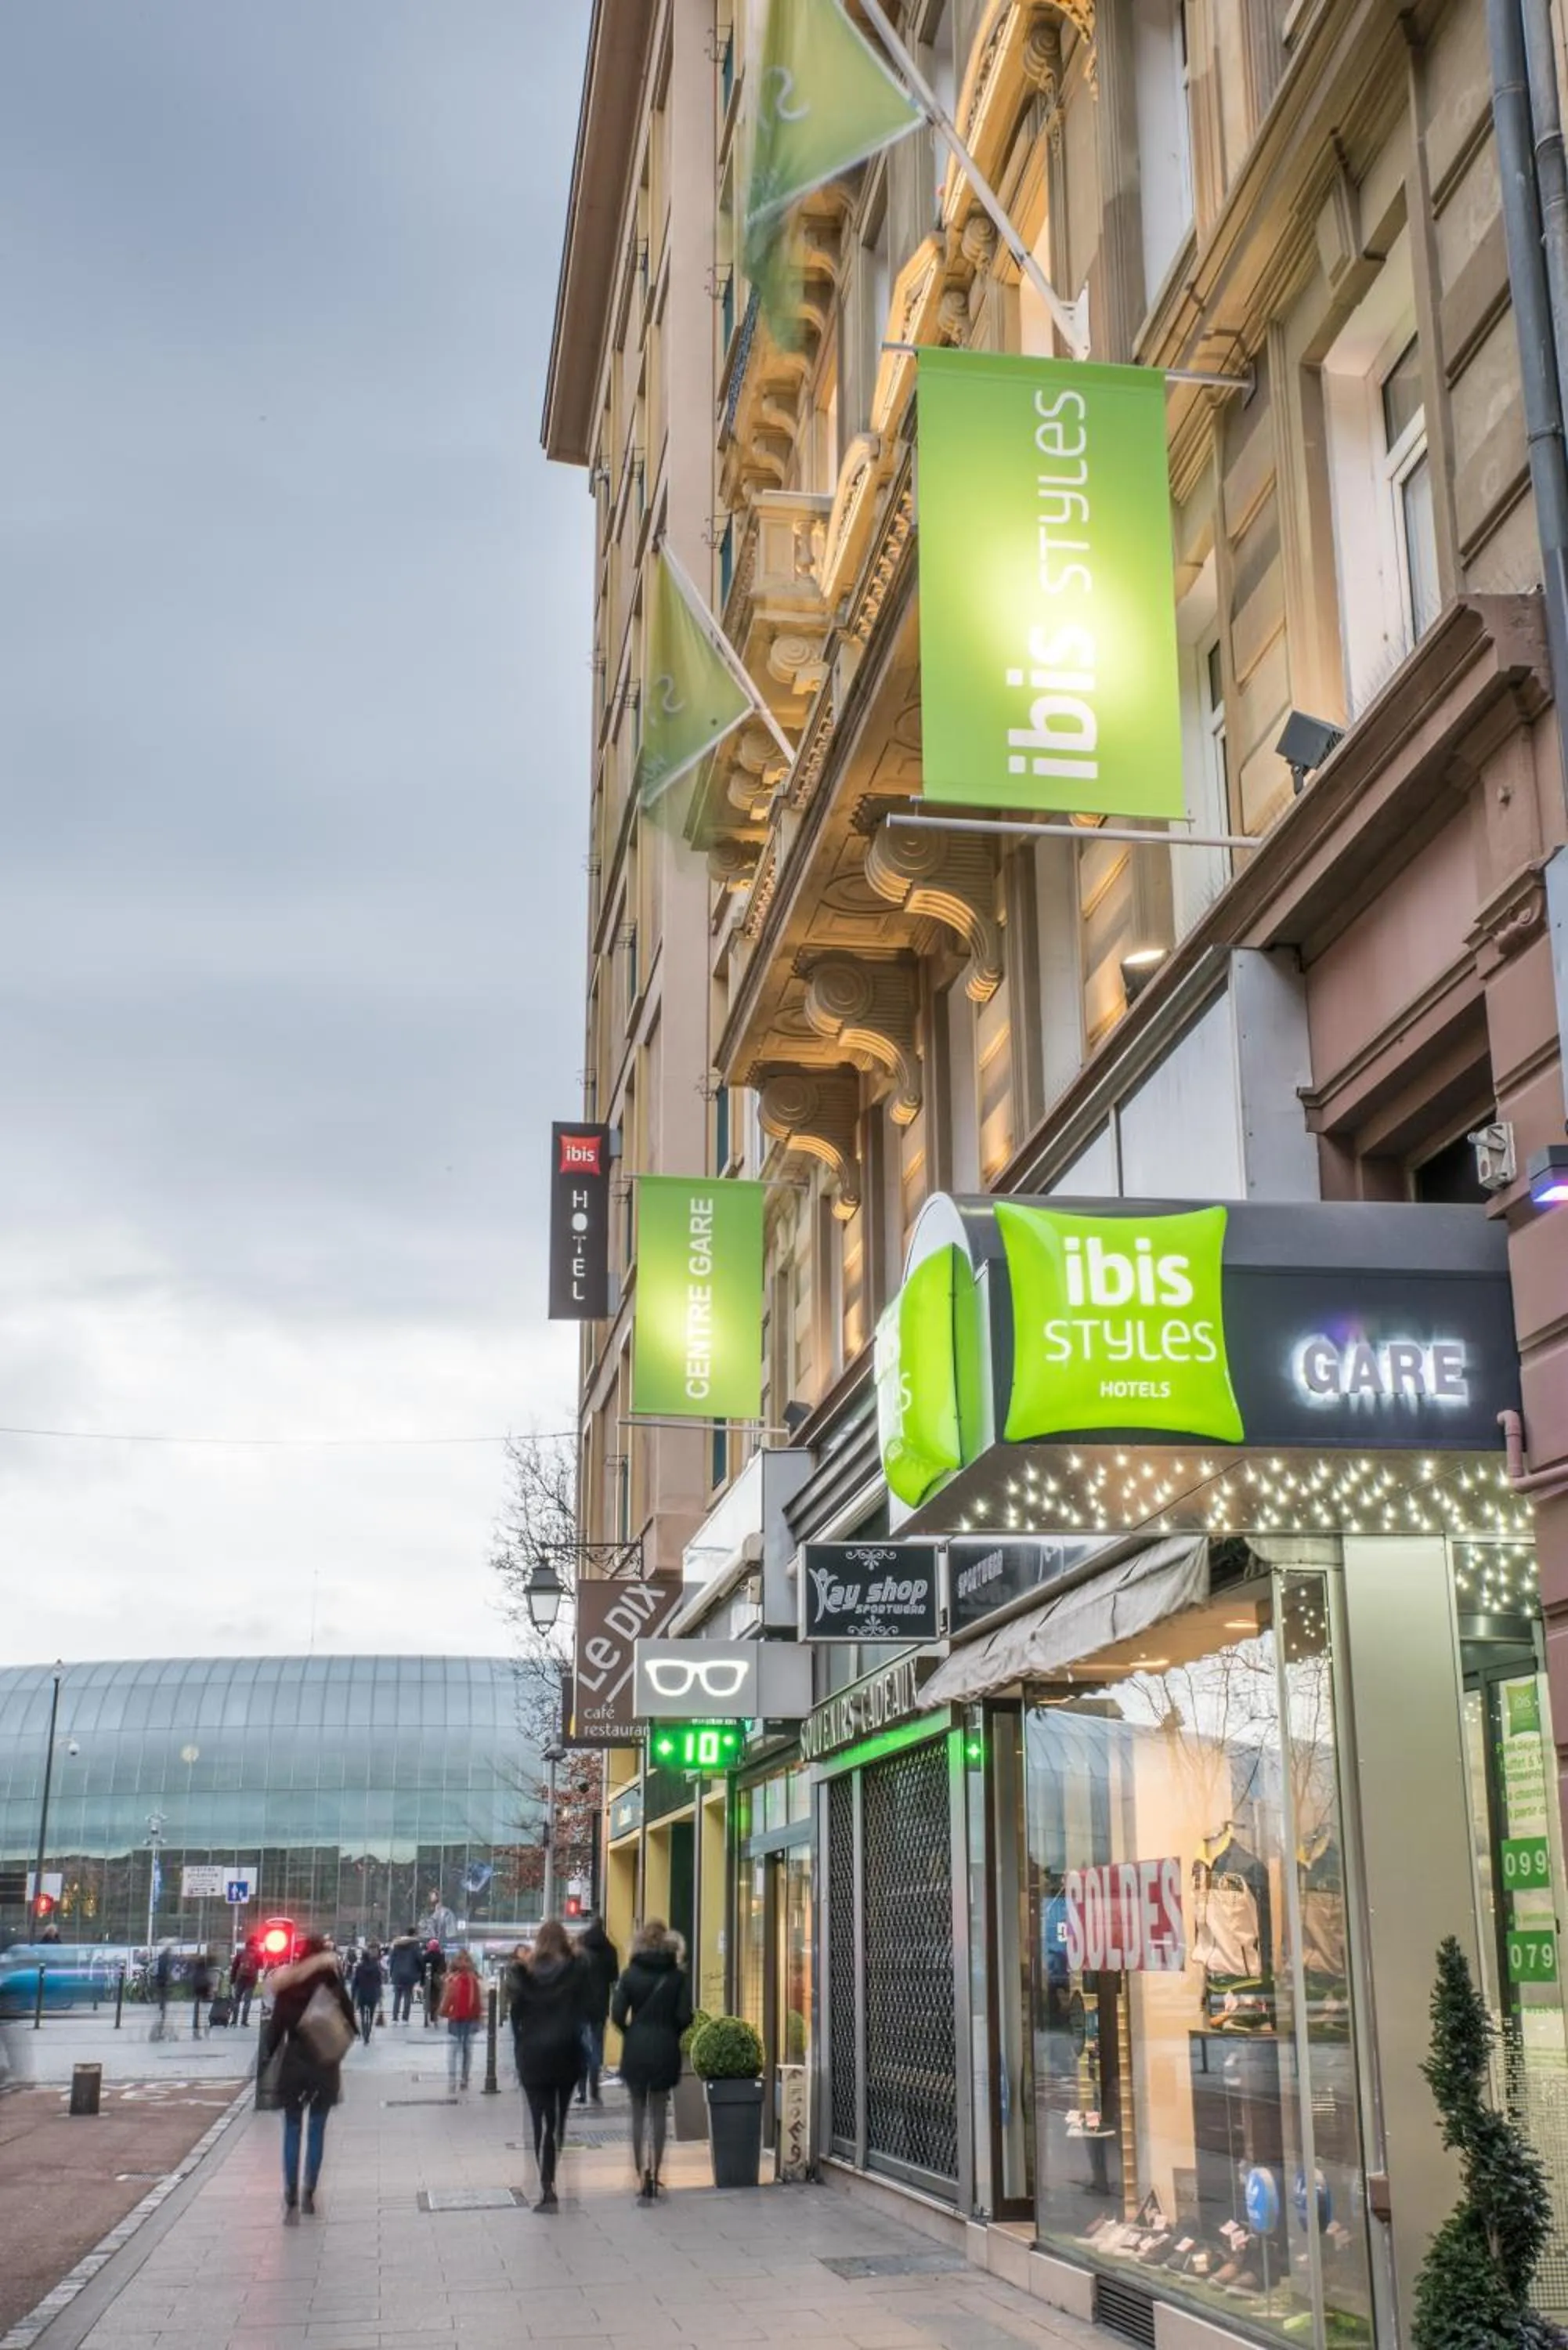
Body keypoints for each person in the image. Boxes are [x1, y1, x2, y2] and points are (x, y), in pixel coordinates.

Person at [261, 1934, 356, 2223]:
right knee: (316, 2129)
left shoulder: (289, 1988)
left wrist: (268, 2058)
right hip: (323, 2065)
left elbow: (274, 2033)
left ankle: (289, 2191)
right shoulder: (332, 1986)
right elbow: (351, 2025)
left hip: (293, 2065)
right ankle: (309, 2192)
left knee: (292, 2128)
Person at [507, 1922, 587, 2213]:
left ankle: (546, 2187)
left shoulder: (525, 1975)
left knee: (538, 2118)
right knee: (557, 2121)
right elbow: (585, 2012)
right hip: (565, 2054)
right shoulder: (573, 1972)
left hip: (533, 2058)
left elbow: (516, 2019)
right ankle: (552, 2171)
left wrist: (520, 2049)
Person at [611, 1918, 692, 2204]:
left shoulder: (630, 1974)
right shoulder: (676, 1976)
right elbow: (685, 2017)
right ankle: (655, 2172)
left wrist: (632, 2032)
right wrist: (670, 2032)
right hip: (665, 2047)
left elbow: (617, 2015)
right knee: (659, 2112)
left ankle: (637, 2173)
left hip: (636, 2048)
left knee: (637, 2112)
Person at [576, 1915, 620, 2106]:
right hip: (600, 2007)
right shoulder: (610, 1950)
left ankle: (581, 2091)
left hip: (581, 2008)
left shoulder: (581, 1952)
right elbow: (614, 1978)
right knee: (596, 2049)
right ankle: (594, 2089)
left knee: (582, 2049)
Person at [440, 1948, 482, 2092]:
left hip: (468, 2018)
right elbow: (448, 1997)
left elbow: (478, 2000)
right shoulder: (453, 1978)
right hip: (457, 2018)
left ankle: (462, 2078)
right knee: (457, 2049)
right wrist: (444, 2011)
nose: (464, 1963)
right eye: (461, 1960)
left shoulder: (472, 1978)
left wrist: (479, 2017)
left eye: (466, 1960)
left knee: (465, 2049)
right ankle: (454, 2078)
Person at [350, 1944, 383, 2047]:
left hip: (362, 1994)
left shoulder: (359, 1968)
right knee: (371, 2014)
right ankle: (368, 2031)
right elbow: (379, 1981)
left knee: (363, 2015)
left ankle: (365, 2034)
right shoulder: (376, 1967)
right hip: (372, 1993)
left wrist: (353, 1995)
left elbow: (355, 1982)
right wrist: (380, 1995)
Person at [388, 1928, 421, 2023]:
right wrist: (419, 1972)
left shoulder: (397, 1944)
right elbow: (419, 1959)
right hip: (410, 1974)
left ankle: (395, 2017)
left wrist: (391, 1973)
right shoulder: (415, 1945)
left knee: (397, 1996)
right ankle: (405, 2018)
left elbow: (392, 1960)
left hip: (397, 1974)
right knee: (408, 1996)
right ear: (414, 1934)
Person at [230, 1941, 258, 2028]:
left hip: (240, 1979)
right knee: (247, 2001)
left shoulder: (241, 1954)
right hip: (251, 1980)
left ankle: (234, 2021)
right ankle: (244, 2021)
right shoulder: (257, 1954)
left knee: (237, 1999)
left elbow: (235, 1967)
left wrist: (232, 1979)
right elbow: (260, 1965)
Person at [421, 1938, 446, 2028]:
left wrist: (421, 1981)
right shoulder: (441, 1956)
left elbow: (422, 1969)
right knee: (437, 1999)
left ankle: (427, 2014)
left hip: (428, 1981)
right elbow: (444, 1968)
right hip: (437, 1981)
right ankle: (435, 2015)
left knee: (427, 1998)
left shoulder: (426, 1956)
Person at [190, 1947, 214, 2039]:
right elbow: (206, 1979)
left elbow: (193, 1979)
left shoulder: (195, 1969)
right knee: (205, 2009)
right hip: (204, 1989)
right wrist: (210, 1987)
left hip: (197, 1989)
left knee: (197, 2008)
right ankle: (206, 2024)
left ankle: (195, 2024)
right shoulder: (204, 1969)